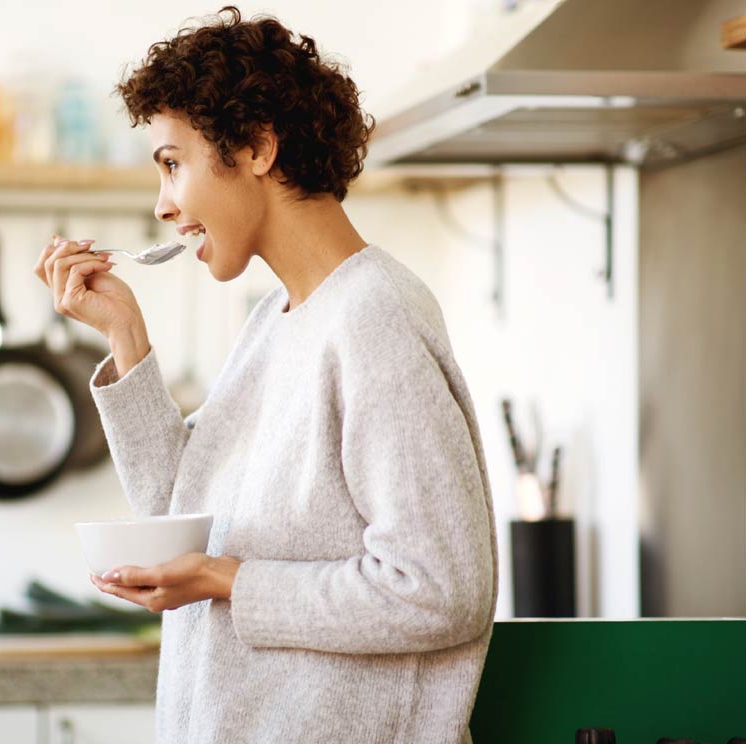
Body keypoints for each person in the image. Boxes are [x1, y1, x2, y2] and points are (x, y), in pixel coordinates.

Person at [32, 6, 498, 743]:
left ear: (254, 147)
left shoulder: (373, 317)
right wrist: (125, 334)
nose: (162, 204)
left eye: (172, 163)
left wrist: (227, 580)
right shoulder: (275, 321)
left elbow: (439, 592)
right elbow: (180, 513)